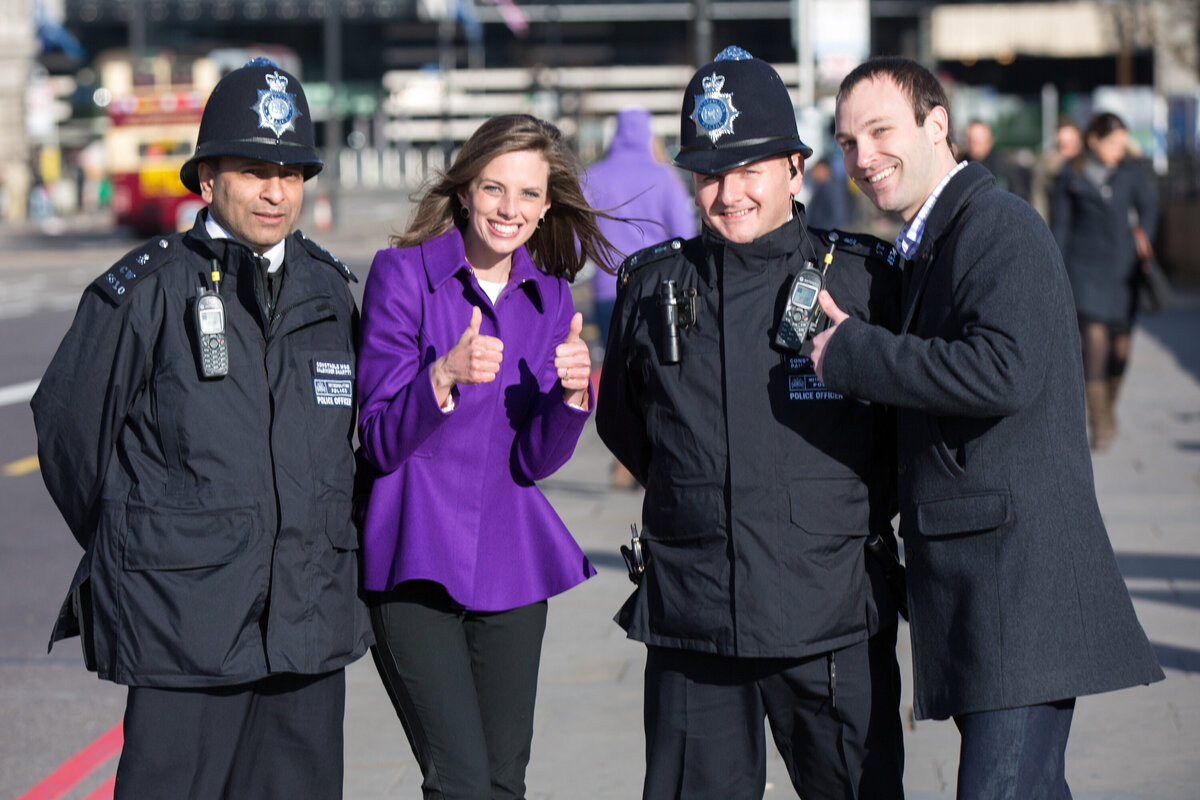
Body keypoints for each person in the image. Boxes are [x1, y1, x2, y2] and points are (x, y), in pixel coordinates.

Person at [811, 56, 1164, 799]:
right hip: (983, 597)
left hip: (1020, 599)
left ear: (936, 124)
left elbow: (1004, 370)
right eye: (847, 142)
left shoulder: (999, 226)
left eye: (880, 130)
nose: (862, 157)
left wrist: (854, 355)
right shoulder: (938, 237)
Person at [32, 58, 372, 799]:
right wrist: (149, 549)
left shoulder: (330, 291)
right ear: (208, 177)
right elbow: (67, 433)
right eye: (255, 170)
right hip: (182, 627)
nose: (276, 191)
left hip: (305, 629)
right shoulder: (144, 291)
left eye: (291, 171)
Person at [597, 46, 905, 800]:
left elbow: (906, 439)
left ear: (795, 168)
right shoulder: (651, 286)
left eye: (749, 170)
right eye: (709, 174)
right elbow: (628, 428)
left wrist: (822, 524)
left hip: (828, 618)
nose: (729, 193)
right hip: (694, 621)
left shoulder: (862, 279)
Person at [356, 114, 617, 800]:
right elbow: (379, 438)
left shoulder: (553, 296)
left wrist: (572, 396)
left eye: (528, 195)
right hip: (414, 558)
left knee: (503, 782)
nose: (510, 209)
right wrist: (440, 377)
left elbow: (533, 462)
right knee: (460, 782)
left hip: (508, 564)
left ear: (547, 205)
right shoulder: (401, 275)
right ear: (466, 189)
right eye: (495, 189)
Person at [1051, 111, 1158, 451]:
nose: (1119, 150)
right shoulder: (1071, 175)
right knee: (1095, 344)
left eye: (1123, 144)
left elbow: (1150, 210)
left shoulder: (1131, 173)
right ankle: (1100, 423)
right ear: (1094, 140)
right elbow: (1061, 228)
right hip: (1084, 270)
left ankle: (1107, 408)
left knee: (1120, 350)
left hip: (1123, 270)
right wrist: (1058, 271)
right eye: (1113, 143)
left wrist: (1145, 240)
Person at [583, 106, 696, 347]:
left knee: (614, 372)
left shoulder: (592, 177)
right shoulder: (664, 177)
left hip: (608, 287)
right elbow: (686, 235)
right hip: (654, 288)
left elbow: (575, 239)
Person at [963, 118, 1024, 199]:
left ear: (988, 142)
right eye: (970, 141)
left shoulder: (1002, 167)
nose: (973, 146)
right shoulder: (963, 164)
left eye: (977, 142)